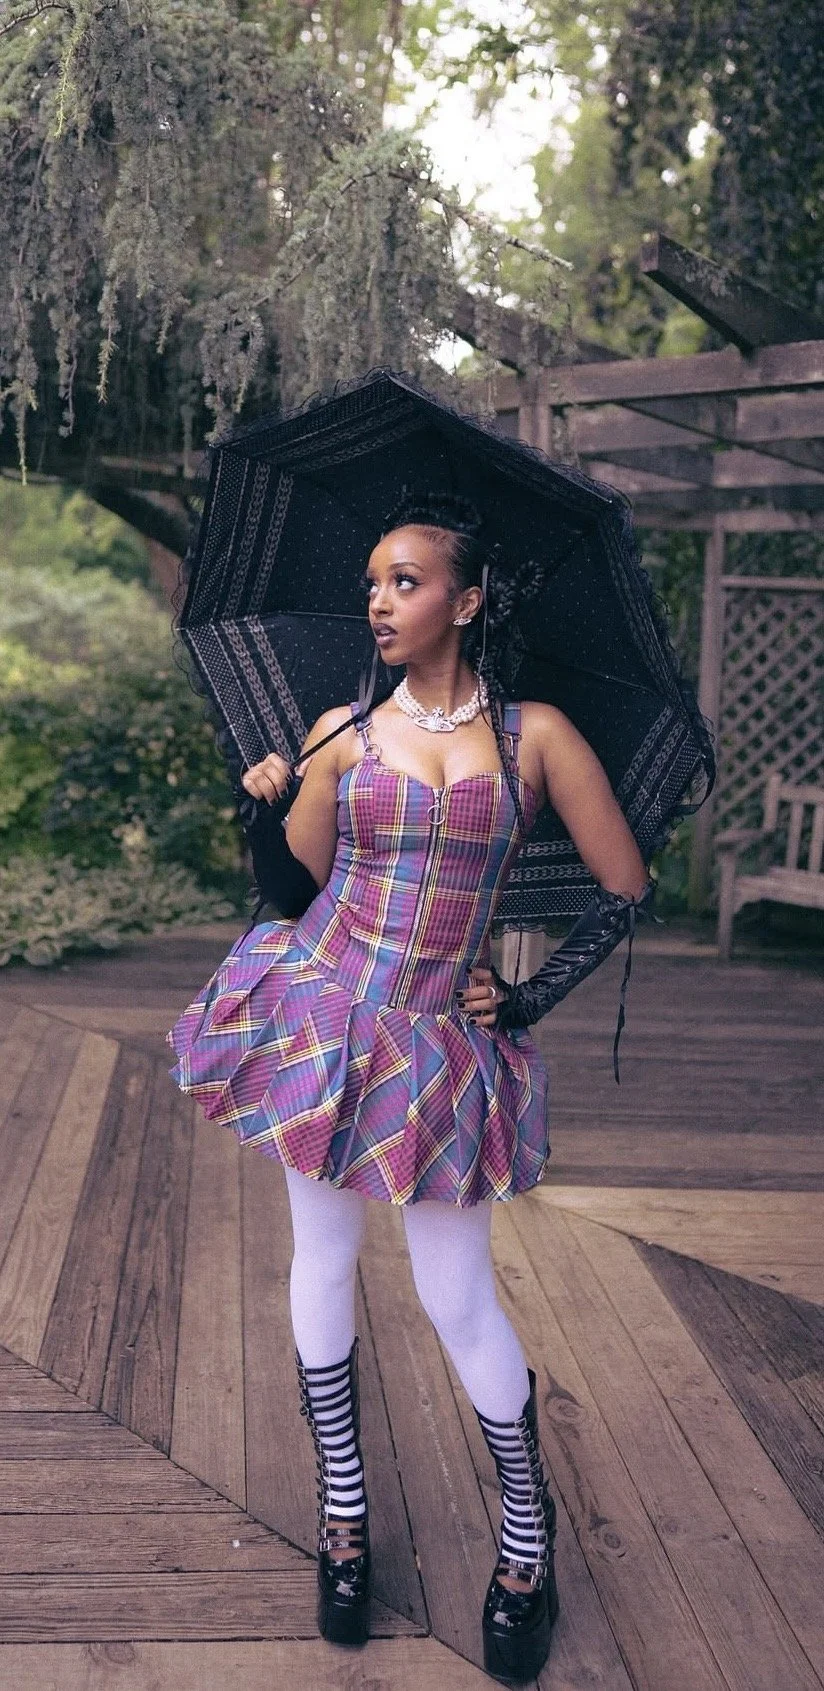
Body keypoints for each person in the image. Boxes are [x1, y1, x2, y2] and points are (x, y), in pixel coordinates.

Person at [168, 491, 652, 1684]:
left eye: (405, 581)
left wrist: (527, 997)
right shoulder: (346, 726)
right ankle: (343, 1518)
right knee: (320, 1261)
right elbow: (296, 889)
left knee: (455, 1294)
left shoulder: (533, 735)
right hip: (325, 1009)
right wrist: (264, 807)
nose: (379, 601)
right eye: (374, 582)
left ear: (466, 600)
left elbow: (623, 882)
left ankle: (523, 1546)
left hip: (441, 1036)